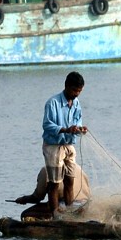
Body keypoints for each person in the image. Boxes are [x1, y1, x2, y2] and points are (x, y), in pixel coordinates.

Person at [41, 71, 88, 214]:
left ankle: (69, 211)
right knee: (54, 183)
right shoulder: (53, 103)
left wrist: (79, 129)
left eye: (79, 91)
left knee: (70, 180)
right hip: (54, 147)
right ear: (66, 86)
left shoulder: (76, 103)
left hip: (69, 145)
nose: (77, 94)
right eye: (74, 90)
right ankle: (55, 213)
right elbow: (47, 125)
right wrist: (65, 129)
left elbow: (77, 121)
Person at [15, 164, 91, 220]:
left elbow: (37, 197)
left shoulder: (46, 170)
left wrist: (23, 199)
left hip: (66, 206)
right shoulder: (77, 167)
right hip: (84, 205)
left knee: (25, 215)